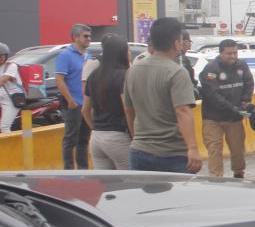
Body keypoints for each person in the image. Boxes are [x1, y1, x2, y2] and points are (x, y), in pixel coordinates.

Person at [123, 17, 202, 174]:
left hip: (139, 151)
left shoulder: (133, 70)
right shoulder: (177, 72)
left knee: (144, 198)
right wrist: (192, 148)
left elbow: (128, 109)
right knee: (178, 199)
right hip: (172, 154)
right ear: (176, 43)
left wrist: (136, 138)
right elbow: (183, 111)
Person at [200, 38, 254, 178]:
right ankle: (216, 177)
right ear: (221, 53)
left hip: (234, 118)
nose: (233, 57)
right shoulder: (211, 69)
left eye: (235, 53)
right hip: (213, 118)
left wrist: (245, 101)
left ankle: (238, 173)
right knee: (214, 149)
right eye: (229, 54)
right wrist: (232, 108)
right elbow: (212, 94)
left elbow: (249, 82)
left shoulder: (242, 65)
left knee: (237, 150)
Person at [81, 35, 132, 169]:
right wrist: (134, 135)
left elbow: (85, 110)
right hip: (118, 137)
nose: (130, 54)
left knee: (107, 185)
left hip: (96, 138)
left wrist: (95, 128)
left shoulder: (94, 76)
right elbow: (127, 109)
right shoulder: (124, 75)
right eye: (128, 51)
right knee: (129, 185)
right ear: (121, 53)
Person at [57, 23, 92, 168]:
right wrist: (70, 101)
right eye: (85, 36)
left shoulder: (88, 56)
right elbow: (59, 79)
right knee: (70, 139)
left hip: (86, 104)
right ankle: (69, 170)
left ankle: (83, 169)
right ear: (75, 37)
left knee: (84, 139)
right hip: (74, 105)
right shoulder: (65, 55)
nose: (89, 39)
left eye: (90, 36)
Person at [0, 42, 24, 133]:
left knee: (4, 127)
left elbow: (2, 81)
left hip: (12, 99)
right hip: (1, 99)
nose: (1, 58)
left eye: (3, 56)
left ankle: (9, 147)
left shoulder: (11, 66)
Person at [181, 31, 201, 99]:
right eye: (189, 41)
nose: (190, 45)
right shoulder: (181, 60)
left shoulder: (183, 58)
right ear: (184, 42)